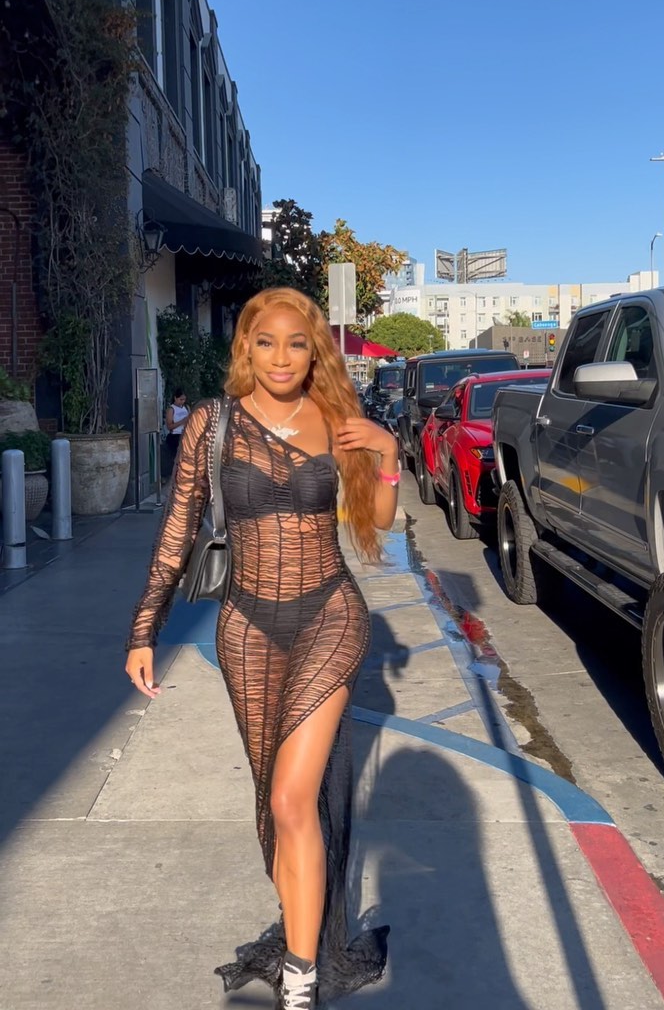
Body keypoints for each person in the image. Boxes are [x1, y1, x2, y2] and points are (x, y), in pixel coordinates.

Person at [125, 288, 399, 1008]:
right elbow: (178, 530)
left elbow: (377, 518)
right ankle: (302, 920)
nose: (281, 357)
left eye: (297, 343)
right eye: (266, 342)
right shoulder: (213, 423)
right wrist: (143, 629)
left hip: (329, 613)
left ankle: (301, 980)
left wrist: (389, 454)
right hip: (246, 624)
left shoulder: (337, 419)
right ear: (245, 347)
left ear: (315, 352)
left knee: (291, 795)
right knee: (271, 806)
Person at [164, 387, 189, 460]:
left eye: (184, 399)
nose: (182, 402)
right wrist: (182, 421)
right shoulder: (171, 409)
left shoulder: (186, 407)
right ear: (175, 398)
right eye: (181, 399)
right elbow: (169, 426)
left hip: (185, 435)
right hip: (175, 436)